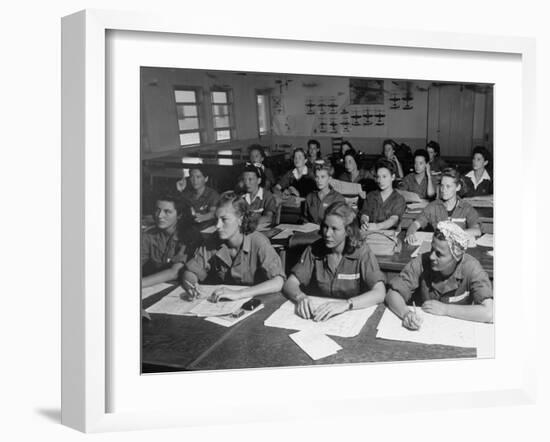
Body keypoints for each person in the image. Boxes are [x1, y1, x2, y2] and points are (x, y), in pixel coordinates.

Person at [283, 201, 386, 321]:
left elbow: (380, 292)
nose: (327, 233)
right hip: (321, 314)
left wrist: (347, 304)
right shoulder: (314, 249)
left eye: (334, 229)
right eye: (325, 227)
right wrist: (300, 297)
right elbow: (290, 284)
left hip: (352, 315)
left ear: (348, 231)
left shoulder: (362, 252)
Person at [385, 221, 493, 329]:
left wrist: (446, 309)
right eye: (432, 249)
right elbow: (392, 294)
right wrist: (406, 314)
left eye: (439, 254)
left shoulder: (472, 268)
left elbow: (489, 311)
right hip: (426, 327)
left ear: (457, 257)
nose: (431, 257)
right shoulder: (422, 261)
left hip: (457, 329)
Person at [182, 191, 285, 302]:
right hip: (224, 303)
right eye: (216, 219)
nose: (217, 226)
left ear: (240, 220)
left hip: (257, 301)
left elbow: (278, 281)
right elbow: (190, 271)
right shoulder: (213, 240)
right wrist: (192, 285)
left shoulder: (258, 242)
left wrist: (239, 294)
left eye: (224, 220)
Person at [405, 167, 481, 244]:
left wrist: (454, 234)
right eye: (442, 186)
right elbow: (415, 224)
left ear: (458, 187)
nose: (443, 190)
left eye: (448, 186)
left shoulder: (466, 207)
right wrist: (410, 233)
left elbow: (477, 230)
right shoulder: (433, 206)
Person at [141, 193, 194, 289]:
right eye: (157, 210)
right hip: (155, 285)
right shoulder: (149, 235)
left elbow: (174, 272)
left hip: (181, 288)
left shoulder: (187, 236)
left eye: (167, 212)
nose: (159, 216)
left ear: (179, 215)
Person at [359, 159, 406, 231]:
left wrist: (377, 226)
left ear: (392, 177)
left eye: (384, 176)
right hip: (370, 233)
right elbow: (365, 214)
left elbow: (393, 220)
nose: (380, 181)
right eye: (378, 177)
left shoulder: (399, 199)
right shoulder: (371, 196)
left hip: (390, 236)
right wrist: (364, 223)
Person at [176, 166, 219, 232]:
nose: (195, 180)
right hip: (190, 230)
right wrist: (180, 190)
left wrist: (202, 217)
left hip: (206, 230)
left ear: (206, 179)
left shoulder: (212, 195)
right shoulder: (187, 194)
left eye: (198, 177)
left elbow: (213, 213)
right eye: (192, 177)